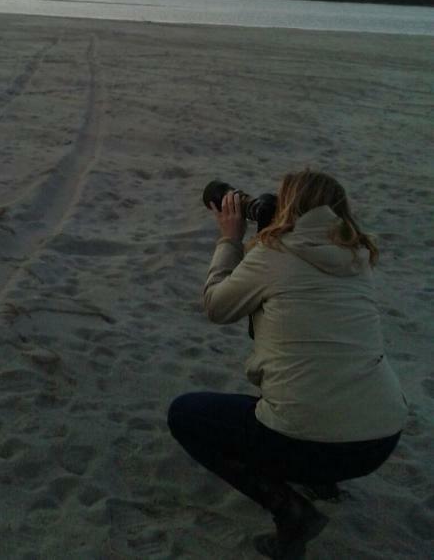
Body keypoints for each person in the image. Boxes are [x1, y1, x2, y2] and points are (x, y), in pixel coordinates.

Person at [167, 169, 408, 559]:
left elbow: (216, 305)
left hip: (312, 440)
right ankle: (323, 482)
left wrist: (230, 239)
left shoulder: (272, 255)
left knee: (186, 415)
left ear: (289, 207)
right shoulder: (356, 256)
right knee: (311, 365)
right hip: (380, 439)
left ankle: (291, 511)